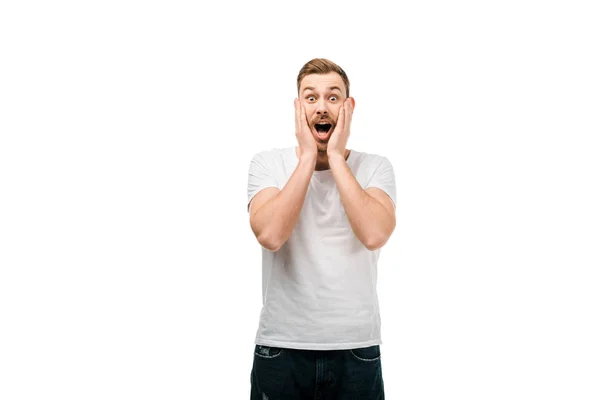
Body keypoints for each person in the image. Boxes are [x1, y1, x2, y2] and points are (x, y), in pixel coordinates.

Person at [246, 58, 396, 399]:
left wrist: (339, 160)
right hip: (282, 348)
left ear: (348, 106)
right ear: (298, 107)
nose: (321, 107)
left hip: (356, 349)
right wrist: (307, 159)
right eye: (310, 98)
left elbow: (375, 234)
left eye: (333, 97)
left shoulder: (375, 168)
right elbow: (270, 235)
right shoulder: (267, 164)